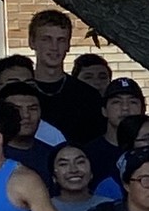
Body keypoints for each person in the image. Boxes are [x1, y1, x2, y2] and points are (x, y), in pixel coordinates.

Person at [23, 8, 107, 150]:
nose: (54, 47)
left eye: (61, 40)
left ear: (68, 45)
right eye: (47, 39)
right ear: (32, 42)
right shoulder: (20, 95)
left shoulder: (87, 95)